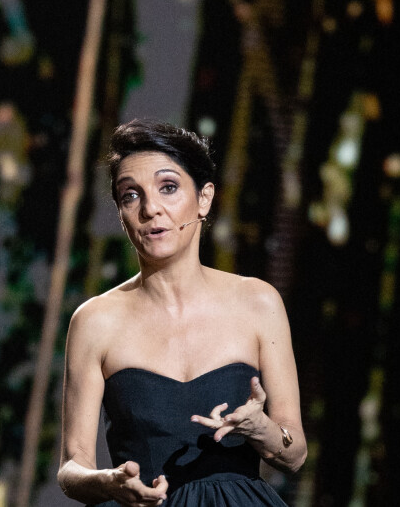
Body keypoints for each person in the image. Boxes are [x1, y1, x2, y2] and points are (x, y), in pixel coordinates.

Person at [58, 119, 307, 506]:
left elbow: (296, 454)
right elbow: (73, 466)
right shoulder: (94, 321)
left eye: (168, 188)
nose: (151, 208)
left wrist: (262, 429)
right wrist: (110, 481)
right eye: (130, 196)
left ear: (204, 198)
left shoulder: (258, 302)